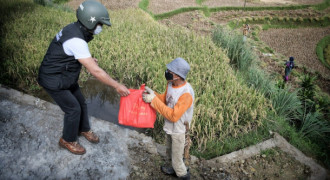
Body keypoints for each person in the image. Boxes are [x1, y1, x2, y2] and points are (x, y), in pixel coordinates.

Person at [37, 0, 130, 155]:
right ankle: (67, 140)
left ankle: (84, 129)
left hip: (65, 75)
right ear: (89, 21)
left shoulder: (74, 28)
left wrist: (87, 59)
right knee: (73, 109)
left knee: (82, 103)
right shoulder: (77, 40)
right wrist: (116, 85)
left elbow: (67, 52)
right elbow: (97, 72)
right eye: (99, 24)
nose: (101, 27)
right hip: (53, 79)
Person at [142, 57, 194, 180]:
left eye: (170, 71)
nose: (167, 72)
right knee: (170, 152)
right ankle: (173, 168)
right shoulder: (171, 84)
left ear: (178, 75)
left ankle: (183, 175)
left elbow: (174, 116)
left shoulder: (186, 93)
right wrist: (153, 94)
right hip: (170, 127)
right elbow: (165, 100)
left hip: (179, 130)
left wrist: (153, 100)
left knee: (177, 159)